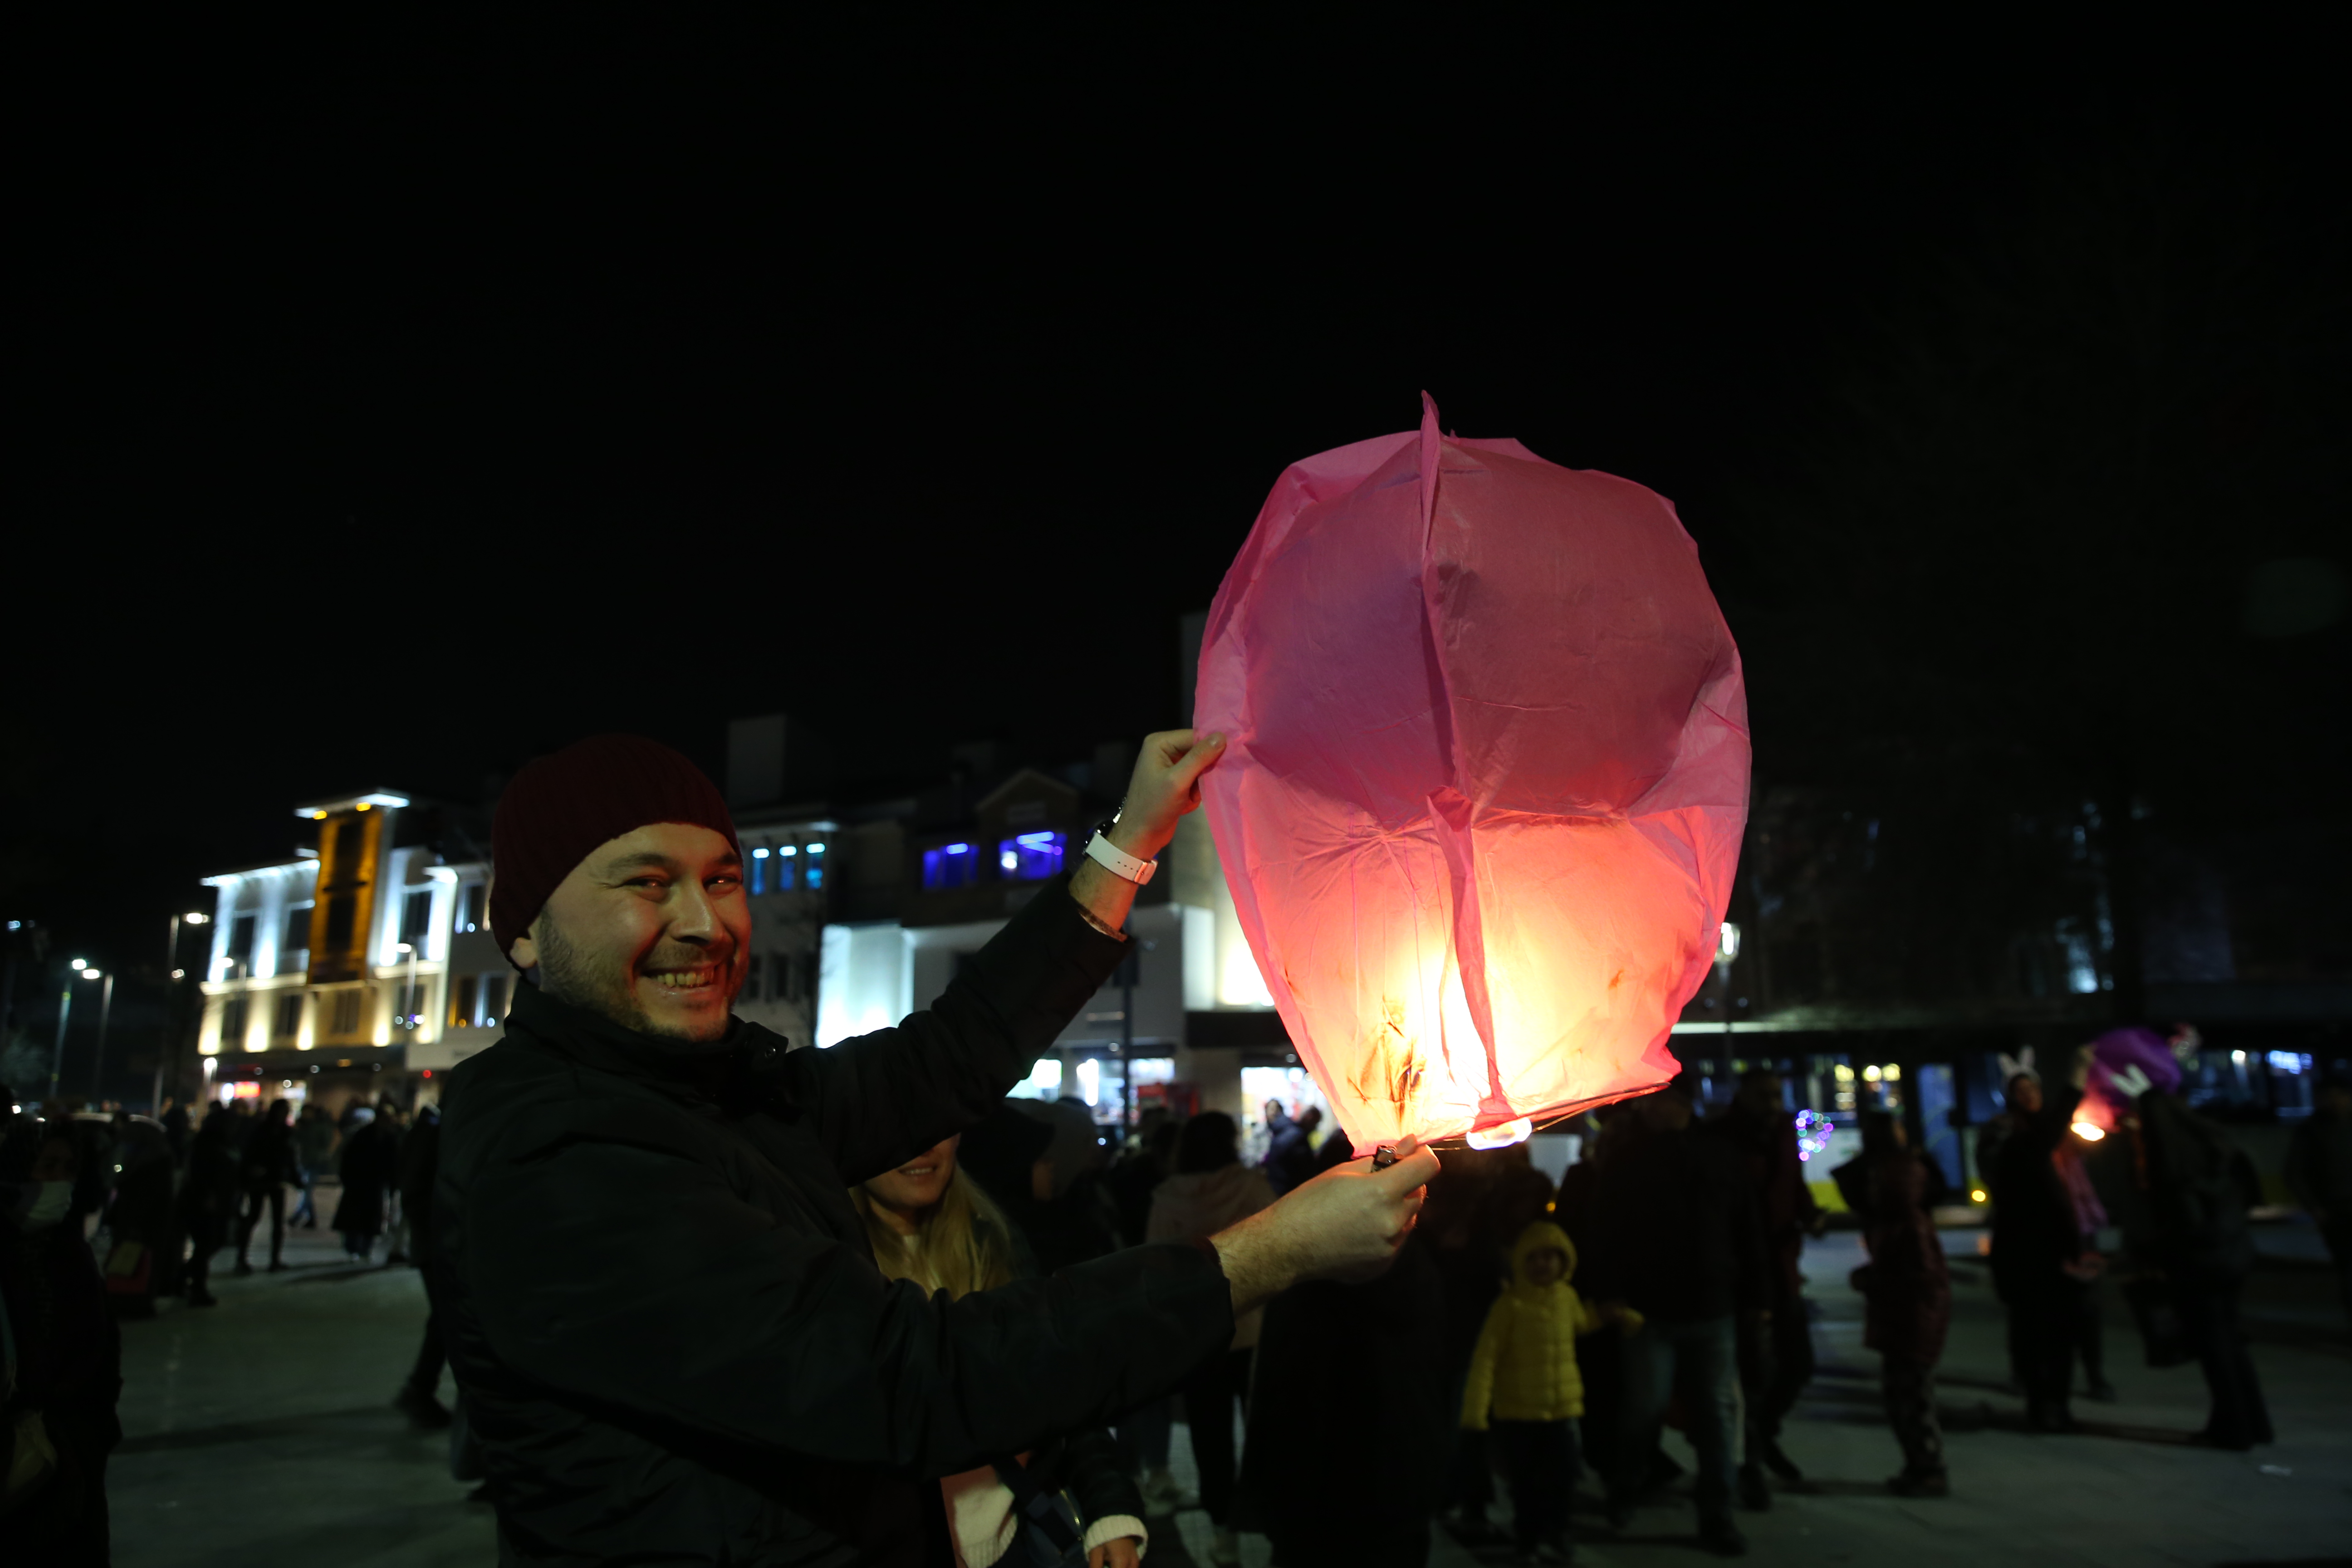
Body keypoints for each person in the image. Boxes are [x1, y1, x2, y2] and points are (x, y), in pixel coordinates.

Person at [431, 731, 1438, 1564]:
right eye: (646, 884)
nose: (704, 922)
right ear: (522, 933)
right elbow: (911, 1380)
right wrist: (1271, 1254)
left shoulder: (708, 1090)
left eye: (723, 878)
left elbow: (942, 1059)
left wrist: (1132, 839)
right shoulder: (556, 1154)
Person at [853, 1133, 1146, 1568]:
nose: (924, 1145)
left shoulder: (993, 1241)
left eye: (940, 1125)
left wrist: (1109, 1506)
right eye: (901, 1125)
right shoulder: (826, 1263)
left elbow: (1064, 1386)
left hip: (1015, 1536)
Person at [1585, 1076, 1765, 1558]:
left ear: (1674, 1103)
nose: (1645, 1109)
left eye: (1654, 1101)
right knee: (1674, 1411)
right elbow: (1606, 1229)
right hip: (1668, 1306)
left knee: (1702, 1414)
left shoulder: (1693, 1155)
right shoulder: (1642, 1157)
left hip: (1695, 1305)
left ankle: (1709, 1510)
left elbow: (1745, 1225)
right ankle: (1643, 1493)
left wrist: (1755, 1294)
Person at [1242, 1226, 1448, 1568]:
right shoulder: (1418, 1274)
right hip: (1397, 1487)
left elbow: (1277, 1392)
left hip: (1310, 1493)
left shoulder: (1307, 1274)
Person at [1146, 1110, 1278, 1566]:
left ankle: (1223, 1534)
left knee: (1210, 1438)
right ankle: (1276, 1525)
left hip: (1200, 1338)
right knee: (1266, 1433)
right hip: (1255, 1329)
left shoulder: (1167, 1198)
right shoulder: (1252, 1187)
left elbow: (1155, 1270)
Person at [1460, 1219, 1631, 1564]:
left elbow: (1581, 1325)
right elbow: (1486, 1359)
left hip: (1562, 1411)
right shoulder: (1509, 1306)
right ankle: (1528, 1539)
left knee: (1564, 1476)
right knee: (1525, 1485)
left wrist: (1610, 1317)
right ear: (1522, 1262)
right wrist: (1476, 1410)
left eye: (1550, 1258)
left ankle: (1557, 1531)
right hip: (1519, 1415)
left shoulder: (1567, 1298)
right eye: (1534, 1258)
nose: (1542, 1265)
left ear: (1564, 1262)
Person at [1425, 1141, 1559, 1544]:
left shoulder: (1474, 1197)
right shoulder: (1454, 1196)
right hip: (1459, 1322)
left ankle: (1466, 1499)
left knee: (1468, 1416)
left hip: (1470, 1321)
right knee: (1466, 1417)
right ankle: (1467, 1500)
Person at [0, 1118, 123, 1560]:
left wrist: (88, 1428)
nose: (59, 1180)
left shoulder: (71, 1250)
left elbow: (103, 1347)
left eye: (69, 1168)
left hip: (69, 1447)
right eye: (46, 1165)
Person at [1704, 1067, 1825, 1500]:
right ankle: (1751, 1461)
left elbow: (1794, 1187)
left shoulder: (1782, 1135)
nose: (1773, 1104)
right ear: (1744, 1097)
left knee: (1797, 1365)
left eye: (1777, 1096)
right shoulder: (1721, 1138)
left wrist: (1810, 1215)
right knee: (1752, 1373)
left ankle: (1765, 1436)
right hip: (1744, 1271)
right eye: (1764, 1096)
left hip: (1782, 1266)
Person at [2132, 1086, 2271, 1449]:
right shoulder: (2215, 1147)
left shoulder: (2177, 1165)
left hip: (2203, 1264)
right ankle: (2255, 1422)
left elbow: (2188, 1226)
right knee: (2231, 1340)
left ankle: (2233, 1428)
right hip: (2234, 1255)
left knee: (2214, 1346)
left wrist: (2155, 1250)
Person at [1988, 1050, 2099, 1434]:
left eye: (2031, 1088)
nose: (2028, 1096)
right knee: (2044, 1334)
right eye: (2020, 1090)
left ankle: (2052, 1403)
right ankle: (2048, 1404)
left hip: (2046, 1251)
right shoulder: (2017, 1140)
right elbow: (2057, 1120)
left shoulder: (2034, 1139)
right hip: (2036, 1255)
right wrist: (2079, 1073)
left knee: (2060, 1331)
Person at [1848, 1112, 1953, 1496]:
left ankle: (1928, 1469)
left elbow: (1917, 1278)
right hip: (1908, 1320)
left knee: (1912, 1398)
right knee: (1905, 1397)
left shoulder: (1904, 1225)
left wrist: (1872, 1281)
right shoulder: (1900, 1220)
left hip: (1911, 1322)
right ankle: (1921, 1467)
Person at [393, 1101, 451, 1430]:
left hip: (437, 1242)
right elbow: (416, 1191)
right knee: (446, 1318)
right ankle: (419, 1389)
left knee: (445, 1318)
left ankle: (420, 1388)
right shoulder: (432, 1133)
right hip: (437, 1244)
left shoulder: (434, 1131)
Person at [2284, 1072, 2352, 1323]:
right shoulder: (2311, 1130)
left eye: (2340, 1096)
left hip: (2335, 1209)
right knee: (2348, 1269)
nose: (2335, 1102)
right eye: (2329, 1097)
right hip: (2336, 1211)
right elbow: (2294, 1173)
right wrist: (2316, 1208)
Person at [177, 1105, 239, 1306]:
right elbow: (202, 1175)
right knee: (207, 1243)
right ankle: (196, 1287)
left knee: (212, 1242)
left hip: (212, 1200)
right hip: (203, 1201)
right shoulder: (207, 1145)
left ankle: (183, 1277)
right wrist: (209, 1197)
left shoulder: (220, 1143)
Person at [234, 1098, 299, 1274]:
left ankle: (268, 1259)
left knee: (271, 1220)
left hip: (272, 1179)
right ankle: (248, 1259)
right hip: (264, 1179)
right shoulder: (269, 1130)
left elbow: (289, 1157)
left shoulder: (278, 1131)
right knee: (257, 1218)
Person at [335, 1100, 402, 1263]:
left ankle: (364, 1248)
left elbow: (393, 1163)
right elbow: (349, 1158)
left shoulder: (387, 1137)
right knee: (358, 1217)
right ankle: (355, 1247)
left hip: (374, 1183)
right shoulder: (366, 1135)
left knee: (371, 1218)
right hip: (361, 1182)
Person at [290, 1101, 339, 1229]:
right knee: (306, 1191)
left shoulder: (319, 1126)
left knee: (307, 1191)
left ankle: (298, 1216)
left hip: (314, 1162)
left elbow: (328, 1142)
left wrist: (324, 1156)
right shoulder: (302, 1126)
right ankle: (310, 1218)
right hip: (303, 1161)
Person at [1260, 1101, 1323, 1196]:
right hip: (1288, 1194)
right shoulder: (1297, 1138)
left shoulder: (1285, 1132)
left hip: (1275, 1191)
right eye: (1316, 1123)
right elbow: (1304, 1172)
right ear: (1309, 1117)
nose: (1315, 1128)